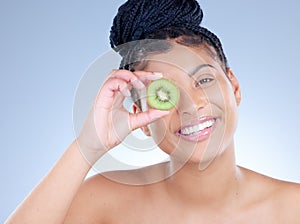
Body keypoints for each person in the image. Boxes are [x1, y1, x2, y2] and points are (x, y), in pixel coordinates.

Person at [6, 0, 300, 223]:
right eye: (165, 95)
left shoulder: (292, 208)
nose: (190, 106)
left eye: (204, 80)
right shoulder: (102, 200)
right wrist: (86, 147)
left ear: (234, 86)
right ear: (141, 116)